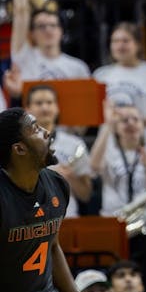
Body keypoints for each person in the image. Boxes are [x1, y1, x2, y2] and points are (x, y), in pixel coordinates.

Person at [0, 107, 109, 292]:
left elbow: (51, 247)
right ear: (19, 149)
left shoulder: (57, 185)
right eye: (35, 129)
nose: (47, 131)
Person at [90, 99, 146, 292]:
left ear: (143, 125)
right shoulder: (109, 149)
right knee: (116, 283)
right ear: (116, 127)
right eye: (124, 120)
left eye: (135, 119)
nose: (130, 124)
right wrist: (106, 127)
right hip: (118, 223)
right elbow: (93, 168)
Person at [5, 0, 90, 97]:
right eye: (41, 26)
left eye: (53, 25)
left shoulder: (77, 67)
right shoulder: (25, 56)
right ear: (33, 34)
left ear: (61, 31)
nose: (48, 30)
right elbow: (21, 11)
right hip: (33, 121)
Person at [93, 22, 146, 149]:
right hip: (110, 151)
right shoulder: (100, 75)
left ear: (138, 44)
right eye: (115, 41)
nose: (120, 45)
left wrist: (133, 119)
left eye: (125, 41)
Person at [25, 84, 92, 218]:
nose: (45, 107)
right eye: (38, 103)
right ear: (27, 109)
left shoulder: (75, 144)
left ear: (57, 107)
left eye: (49, 102)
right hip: (29, 220)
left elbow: (86, 196)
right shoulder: (19, 145)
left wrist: (69, 177)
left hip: (67, 218)